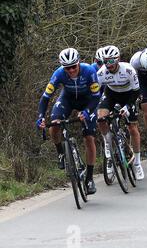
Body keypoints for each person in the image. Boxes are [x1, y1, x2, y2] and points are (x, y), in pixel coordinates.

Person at [36, 48, 100, 195]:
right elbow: (46, 97)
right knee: (55, 123)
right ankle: (61, 153)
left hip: (87, 102)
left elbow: (96, 96)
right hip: (67, 99)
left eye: (73, 66)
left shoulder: (89, 71)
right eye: (67, 68)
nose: (71, 70)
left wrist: (87, 111)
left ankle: (89, 178)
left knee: (89, 138)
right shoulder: (58, 73)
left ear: (79, 63)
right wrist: (40, 117)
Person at [96, 45, 145, 180]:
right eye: (105, 61)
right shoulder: (101, 73)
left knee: (132, 128)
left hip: (129, 95)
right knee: (100, 118)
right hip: (111, 95)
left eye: (111, 61)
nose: (108, 64)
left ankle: (137, 163)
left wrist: (128, 107)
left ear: (117, 59)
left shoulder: (129, 70)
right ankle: (108, 142)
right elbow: (94, 93)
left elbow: (136, 92)